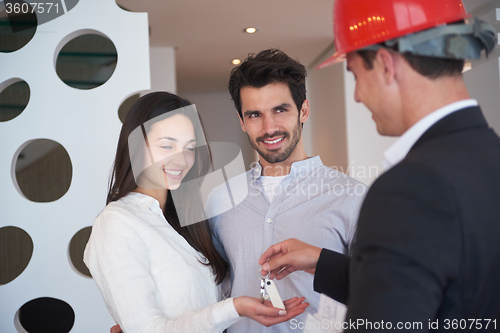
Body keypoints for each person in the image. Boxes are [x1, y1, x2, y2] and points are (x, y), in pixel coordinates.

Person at [260, 0, 500, 331]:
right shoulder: (489, 156)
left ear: (386, 64)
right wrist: (323, 262)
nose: (357, 95)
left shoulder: (408, 188)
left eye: (356, 74)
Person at [83, 92, 309, 333]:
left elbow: (200, 306)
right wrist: (235, 308)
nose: (180, 160)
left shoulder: (186, 221)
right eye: (167, 145)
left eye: (189, 148)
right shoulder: (117, 222)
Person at [207, 49, 367, 332]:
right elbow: (208, 290)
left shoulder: (353, 198)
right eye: (255, 114)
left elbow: (382, 287)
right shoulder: (219, 200)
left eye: (280, 110)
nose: (269, 128)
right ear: (242, 122)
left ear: (303, 110)